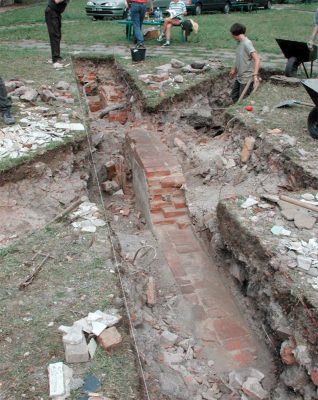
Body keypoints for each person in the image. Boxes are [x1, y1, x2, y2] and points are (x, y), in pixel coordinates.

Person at [229, 23, 260, 103]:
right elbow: (239, 57)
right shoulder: (239, 42)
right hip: (240, 76)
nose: (232, 36)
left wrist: (255, 75)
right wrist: (234, 68)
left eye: (232, 34)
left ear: (235, 34)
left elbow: (257, 59)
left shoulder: (247, 43)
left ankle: (240, 113)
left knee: (243, 100)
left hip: (247, 78)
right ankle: (236, 110)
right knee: (234, 96)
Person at [45, 0, 69, 69]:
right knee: (55, 36)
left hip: (56, 12)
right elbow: (57, 1)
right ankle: (56, 60)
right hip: (51, 12)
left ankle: (56, 57)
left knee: (57, 36)